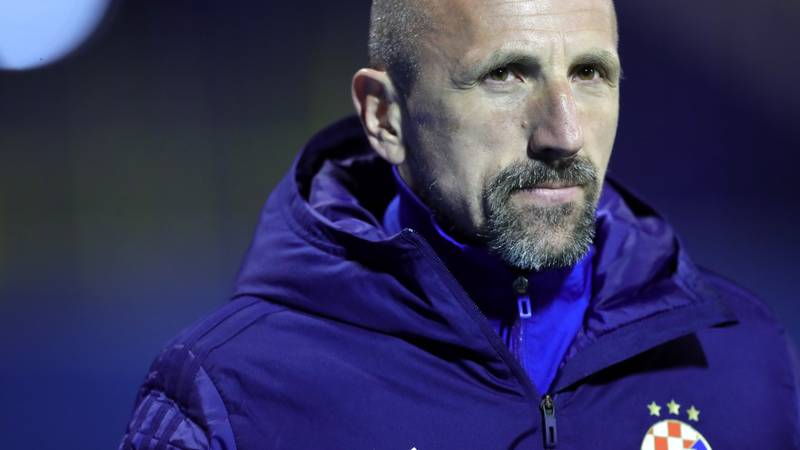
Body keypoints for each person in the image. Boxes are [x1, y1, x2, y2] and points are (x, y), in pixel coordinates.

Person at [120, 0, 800, 448]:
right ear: (385, 116)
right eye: (506, 75)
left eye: (591, 73)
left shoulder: (745, 358)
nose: (564, 134)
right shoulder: (235, 394)